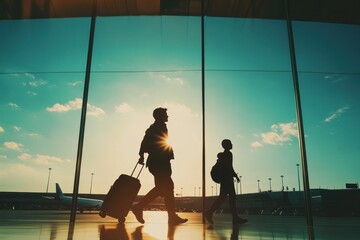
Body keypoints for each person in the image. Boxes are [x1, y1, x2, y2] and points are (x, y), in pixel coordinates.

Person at [131, 107, 188, 225]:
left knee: (165, 189)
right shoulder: (156, 127)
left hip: (159, 162)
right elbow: (145, 142)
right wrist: (141, 155)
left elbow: (145, 142)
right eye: (165, 114)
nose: (167, 116)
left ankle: (170, 216)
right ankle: (139, 207)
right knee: (166, 188)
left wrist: (142, 156)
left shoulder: (157, 127)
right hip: (159, 163)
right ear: (160, 116)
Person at [206, 139, 248, 225]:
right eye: (230, 143)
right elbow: (229, 167)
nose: (232, 144)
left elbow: (228, 166)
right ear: (227, 145)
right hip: (227, 179)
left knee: (222, 198)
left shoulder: (224, 155)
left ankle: (209, 213)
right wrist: (235, 176)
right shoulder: (228, 154)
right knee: (231, 198)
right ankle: (235, 218)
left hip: (225, 179)